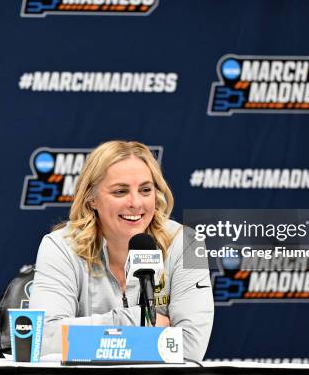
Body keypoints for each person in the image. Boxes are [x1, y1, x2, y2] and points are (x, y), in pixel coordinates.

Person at [29, 141, 214, 360]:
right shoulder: (61, 247)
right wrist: (139, 321)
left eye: (146, 190)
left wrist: (90, 339)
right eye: (120, 191)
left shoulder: (186, 244)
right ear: (91, 200)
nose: (136, 202)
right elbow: (42, 339)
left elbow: (191, 347)